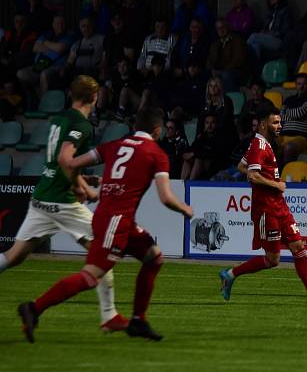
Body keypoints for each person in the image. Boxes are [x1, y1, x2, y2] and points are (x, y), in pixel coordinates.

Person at [18, 106, 193, 343]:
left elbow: (71, 163)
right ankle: (34, 307)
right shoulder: (156, 153)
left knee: (154, 257)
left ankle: (139, 320)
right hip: (115, 223)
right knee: (91, 277)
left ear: (134, 127)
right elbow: (165, 197)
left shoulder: (114, 145)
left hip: (116, 219)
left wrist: (83, 181)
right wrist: (185, 209)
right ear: (158, 130)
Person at [3, 76, 123, 334]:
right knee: (103, 251)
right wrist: (84, 188)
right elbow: (65, 158)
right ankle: (109, 316)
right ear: (94, 96)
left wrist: (80, 178)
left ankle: (109, 316)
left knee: (14, 256)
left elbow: (60, 162)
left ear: (71, 94)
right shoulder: (83, 124)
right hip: (62, 201)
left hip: (42, 197)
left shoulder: (59, 118)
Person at [218, 107, 307, 306]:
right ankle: (230, 274)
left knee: (299, 247)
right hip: (266, 209)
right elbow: (252, 175)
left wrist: (272, 185)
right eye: (275, 123)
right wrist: (277, 185)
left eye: (280, 122)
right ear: (264, 124)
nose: (279, 126)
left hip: (279, 206)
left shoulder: (263, 144)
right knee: (272, 260)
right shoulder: (259, 146)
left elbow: (242, 165)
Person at [278, 73, 307, 164]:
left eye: (304, 84)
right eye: (299, 84)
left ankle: (285, 174)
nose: (301, 87)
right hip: (284, 136)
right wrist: (290, 114)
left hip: (303, 138)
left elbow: (299, 113)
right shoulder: (289, 99)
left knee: (289, 147)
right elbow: (281, 117)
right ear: (295, 85)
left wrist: (287, 112)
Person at [246, 0, 292, 64]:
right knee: (255, 46)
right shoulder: (270, 13)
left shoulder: (286, 11)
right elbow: (266, 28)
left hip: (278, 41)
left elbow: (285, 31)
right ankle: (257, 71)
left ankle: (240, 55)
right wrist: (263, 32)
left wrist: (269, 33)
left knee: (253, 36)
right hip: (268, 39)